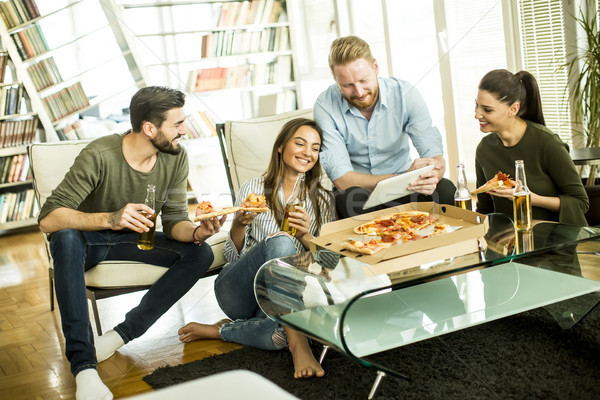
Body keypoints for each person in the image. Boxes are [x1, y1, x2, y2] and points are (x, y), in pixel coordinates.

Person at [38, 86, 227, 400]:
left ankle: (119, 336)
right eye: (177, 124)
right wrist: (111, 219)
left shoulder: (176, 157)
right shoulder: (100, 155)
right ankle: (84, 367)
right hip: (90, 240)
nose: (185, 130)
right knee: (65, 236)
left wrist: (197, 233)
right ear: (150, 128)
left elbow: (176, 219)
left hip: (138, 239)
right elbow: (48, 219)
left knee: (200, 253)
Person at [178, 118, 335, 379]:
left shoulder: (322, 196)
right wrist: (238, 225)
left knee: (275, 336)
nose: (308, 152)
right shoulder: (253, 188)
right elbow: (231, 255)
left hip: (283, 300)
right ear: (281, 146)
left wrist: (307, 236)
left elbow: (327, 264)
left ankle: (222, 331)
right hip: (240, 292)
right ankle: (299, 344)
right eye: (300, 143)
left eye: (315, 148)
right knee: (281, 241)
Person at [313, 35, 456, 219]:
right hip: (360, 196)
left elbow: (436, 158)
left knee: (445, 189)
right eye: (347, 85)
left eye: (364, 80)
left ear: (376, 67)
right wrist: (404, 178)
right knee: (347, 198)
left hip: (408, 189)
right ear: (335, 80)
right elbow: (342, 180)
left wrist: (432, 175)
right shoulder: (325, 105)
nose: (359, 92)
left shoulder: (406, 94)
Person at [474, 69, 589, 225]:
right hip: (509, 243)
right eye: (477, 106)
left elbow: (580, 203)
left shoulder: (548, 143)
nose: (477, 114)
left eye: (487, 109)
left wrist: (530, 199)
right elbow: (485, 210)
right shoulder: (484, 150)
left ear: (513, 109)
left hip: (556, 240)